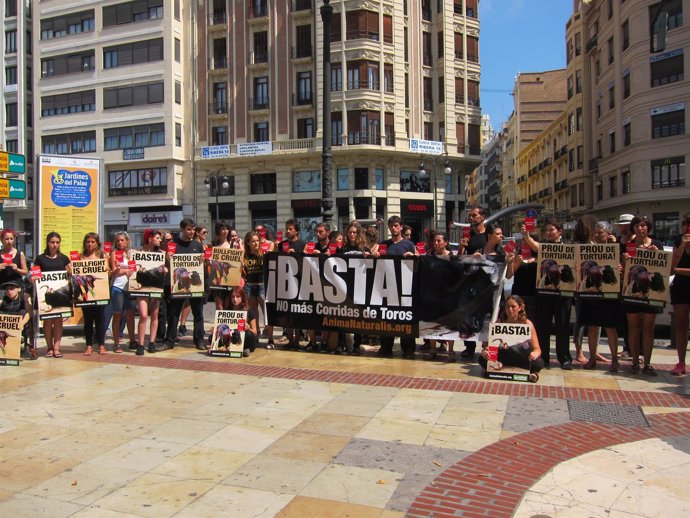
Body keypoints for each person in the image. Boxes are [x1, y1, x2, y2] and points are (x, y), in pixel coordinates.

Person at [524, 219, 574, 370]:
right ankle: (543, 356)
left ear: (560, 231)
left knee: (563, 326)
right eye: (547, 230)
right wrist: (526, 235)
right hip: (544, 293)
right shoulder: (544, 247)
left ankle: (564, 358)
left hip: (563, 294)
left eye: (551, 230)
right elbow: (534, 245)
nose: (548, 232)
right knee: (542, 326)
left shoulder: (569, 248)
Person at [579, 221, 621, 372]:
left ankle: (615, 360)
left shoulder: (616, 249)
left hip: (608, 294)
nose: (597, 235)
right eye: (595, 233)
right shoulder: (588, 250)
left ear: (608, 234)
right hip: (591, 294)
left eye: (600, 233)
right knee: (592, 327)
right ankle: (591, 358)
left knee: (610, 327)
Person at [624, 216, 663, 375]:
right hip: (633, 291)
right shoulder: (630, 245)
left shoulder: (656, 244)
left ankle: (647, 363)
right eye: (637, 226)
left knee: (648, 328)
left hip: (650, 292)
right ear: (633, 228)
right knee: (633, 327)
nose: (640, 229)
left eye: (643, 226)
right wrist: (625, 259)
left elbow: (663, 267)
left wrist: (657, 253)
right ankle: (634, 362)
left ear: (648, 228)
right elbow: (625, 269)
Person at [160, 218, 207, 351]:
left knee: (198, 313)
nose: (191, 232)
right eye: (188, 229)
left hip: (195, 286)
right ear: (182, 229)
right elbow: (167, 265)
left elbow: (202, 266)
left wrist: (204, 261)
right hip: (178, 285)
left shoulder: (197, 246)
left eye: (193, 229)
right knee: (174, 313)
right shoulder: (173, 244)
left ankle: (199, 341)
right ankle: (169, 341)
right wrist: (168, 259)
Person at [478, 295, 543, 383]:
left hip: (521, 357)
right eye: (507, 307)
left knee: (539, 363)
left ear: (520, 308)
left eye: (513, 307)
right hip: (504, 356)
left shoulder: (527, 323)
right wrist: (485, 351)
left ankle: (530, 373)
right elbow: (490, 346)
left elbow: (537, 349)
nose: (510, 309)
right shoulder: (499, 322)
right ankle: (499, 366)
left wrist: (534, 353)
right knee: (482, 359)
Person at [378, 215, 417, 358]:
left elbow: (417, 262)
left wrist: (413, 256)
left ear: (401, 227)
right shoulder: (383, 244)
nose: (393, 228)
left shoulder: (409, 244)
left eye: (396, 225)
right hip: (387, 287)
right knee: (386, 317)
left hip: (404, 288)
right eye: (391, 226)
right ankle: (386, 347)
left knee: (405, 318)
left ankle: (408, 348)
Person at [33, 232, 70, 358]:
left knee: (59, 321)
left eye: (57, 242)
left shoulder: (64, 258)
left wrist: (70, 271)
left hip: (60, 295)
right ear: (48, 243)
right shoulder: (40, 258)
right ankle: (49, 348)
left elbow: (70, 276)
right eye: (52, 242)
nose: (55, 245)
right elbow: (34, 275)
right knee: (47, 321)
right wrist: (33, 277)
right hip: (46, 295)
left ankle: (57, 348)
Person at [459, 205, 488, 359]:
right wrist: (462, 248)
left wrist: (482, 256)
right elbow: (459, 259)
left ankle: (486, 346)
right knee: (468, 314)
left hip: (485, 281)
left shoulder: (490, 235)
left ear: (482, 217)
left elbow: (497, 255)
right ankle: (469, 347)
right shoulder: (468, 236)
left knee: (484, 314)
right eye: (470, 216)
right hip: (470, 281)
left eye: (474, 215)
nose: (471, 218)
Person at [425, 232, 457, 362]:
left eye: (439, 241)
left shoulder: (453, 257)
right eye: (435, 241)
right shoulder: (429, 257)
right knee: (432, 323)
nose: (436, 243)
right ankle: (432, 349)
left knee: (449, 324)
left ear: (446, 243)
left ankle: (450, 351)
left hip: (448, 296)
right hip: (433, 295)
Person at [135, 229, 166, 355]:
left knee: (154, 314)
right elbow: (133, 269)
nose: (160, 240)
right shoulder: (137, 253)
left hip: (156, 286)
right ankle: (140, 344)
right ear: (150, 239)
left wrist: (165, 270)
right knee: (143, 315)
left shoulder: (162, 254)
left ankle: (151, 342)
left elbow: (165, 269)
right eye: (157, 238)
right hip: (142, 286)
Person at [278, 219, 306, 350]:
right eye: (286, 229)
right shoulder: (281, 244)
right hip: (285, 281)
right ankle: (289, 339)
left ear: (297, 231)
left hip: (298, 281)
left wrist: (295, 255)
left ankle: (297, 339)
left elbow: (306, 262)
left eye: (290, 229)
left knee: (297, 311)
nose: (287, 231)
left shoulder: (302, 244)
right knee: (287, 312)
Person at [80, 233, 109, 356]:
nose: (90, 244)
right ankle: (89, 345)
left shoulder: (103, 256)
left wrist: (108, 270)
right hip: (85, 293)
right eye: (88, 242)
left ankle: (101, 345)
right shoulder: (80, 257)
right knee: (88, 320)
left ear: (97, 243)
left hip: (100, 291)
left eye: (93, 242)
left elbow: (109, 271)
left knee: (100, 319)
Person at [179, 225, 209, 336]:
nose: (206, 234)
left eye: (207, 232)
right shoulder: (191, 244)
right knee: (186, 303)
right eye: (204, 232)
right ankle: (182, 325)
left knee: (197, 308)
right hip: (186, 279)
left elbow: (205, 263)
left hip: (199, 279)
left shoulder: (202, 246)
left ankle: (198, 335)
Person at [109, 231, 137, 353]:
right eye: (118, 240)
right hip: (118, 287)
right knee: (117, 315)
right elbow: (114, 272)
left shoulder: (132, 253)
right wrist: (125, 271)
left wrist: (125, 268)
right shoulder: (114, 253)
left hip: (130, 287)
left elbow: (136, 268)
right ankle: (116, 342)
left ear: (127, 241)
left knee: (131, 315)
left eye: (122, 240)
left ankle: (132, 340)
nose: (120, 242)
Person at [671, 212, 690, 375]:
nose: (687, 227)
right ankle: (681, 362)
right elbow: (672, 267)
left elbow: (676, 269)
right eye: (685, 223)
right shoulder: (679, 241)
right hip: (681, 288)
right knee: (681, 325)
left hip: (682, 282)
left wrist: (679, 270)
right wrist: (683, 246)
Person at [243, 230, 271, 346]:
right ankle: (256, 334)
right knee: (253, 312)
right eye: (253, 241)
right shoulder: (244, 255)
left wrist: (266, 256)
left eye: (257, 241)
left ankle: (270, 337)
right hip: (249, 285)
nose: (256, 243)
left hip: (261, 285)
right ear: (248, 243)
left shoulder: (262, 253)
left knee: (266, 311)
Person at [0, 280, 34, 359]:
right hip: (6, 323)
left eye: (11, 288)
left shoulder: (25, 296)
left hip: (20, 321)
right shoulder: (2, 298)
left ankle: (22, 339)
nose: (9, 291)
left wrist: (21, 324)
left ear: (18, 289)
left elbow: (30, 312)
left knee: (23, 312)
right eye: (7, 289)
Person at [227, 285, 258, 357]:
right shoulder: (228, 310)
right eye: (233, 297)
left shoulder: (249, 311)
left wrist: (248, 328)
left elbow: (255, 332)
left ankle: (245, 348)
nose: (235, 299)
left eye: (238, 297)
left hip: (245, 338)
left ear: (242, 297)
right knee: (211, 337)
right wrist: (216, 328)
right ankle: (238, 348)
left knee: (249, 334)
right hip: (232, 336)